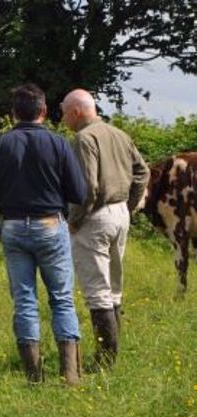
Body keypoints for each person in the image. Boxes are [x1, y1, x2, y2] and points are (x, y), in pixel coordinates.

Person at [0, 84, 87, 385]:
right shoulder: (59, 144)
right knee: (61, 299)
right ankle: (70, 374)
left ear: (13, 114)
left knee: (24, 300)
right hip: (50, 224)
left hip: (14, 226)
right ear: (44, 111)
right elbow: (79, 192)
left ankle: (34, 375)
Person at [60, 89, 150, 370]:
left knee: (97, 291)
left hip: (96, 218)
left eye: (63, 112)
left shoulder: (83, 139)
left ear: (76, 112)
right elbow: (143, 172)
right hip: (121, 212)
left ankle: (105, 362)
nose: (62, 119)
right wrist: (131, 205)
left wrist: (74, 219)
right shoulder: (119, 134)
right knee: (114, 288)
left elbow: (87, 188)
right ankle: (111, 358)